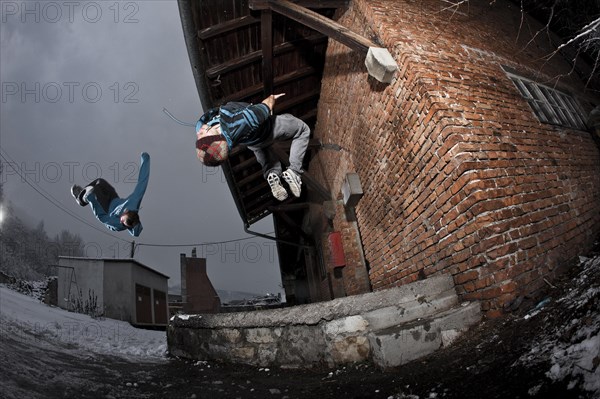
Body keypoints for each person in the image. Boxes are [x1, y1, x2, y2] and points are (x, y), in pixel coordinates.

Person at [195, 93, 310, 201]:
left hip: (254, 143)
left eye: (199, 139)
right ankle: (294, 171)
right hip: (271, 130)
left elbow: (206, 141)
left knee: (267, 159)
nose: (200, 133)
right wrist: (272, 97)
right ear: (218, 137)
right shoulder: (242, 122)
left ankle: (272, 174)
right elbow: (266, 106)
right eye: (204, 135)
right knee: (302, 130)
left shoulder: (206, 129)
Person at [70, 152, 150, 237]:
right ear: (127, 211)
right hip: (114, 199)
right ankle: (84, 192)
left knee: (95, 190)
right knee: (100, 182)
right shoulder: (134, 202)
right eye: (122, 219)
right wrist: (146, 160)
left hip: (107, 211)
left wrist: (92, 200)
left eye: (122, 222)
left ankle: (81, 199)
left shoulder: (117, 224)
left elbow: (102, 217)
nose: (121, 221)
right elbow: (142, 183)